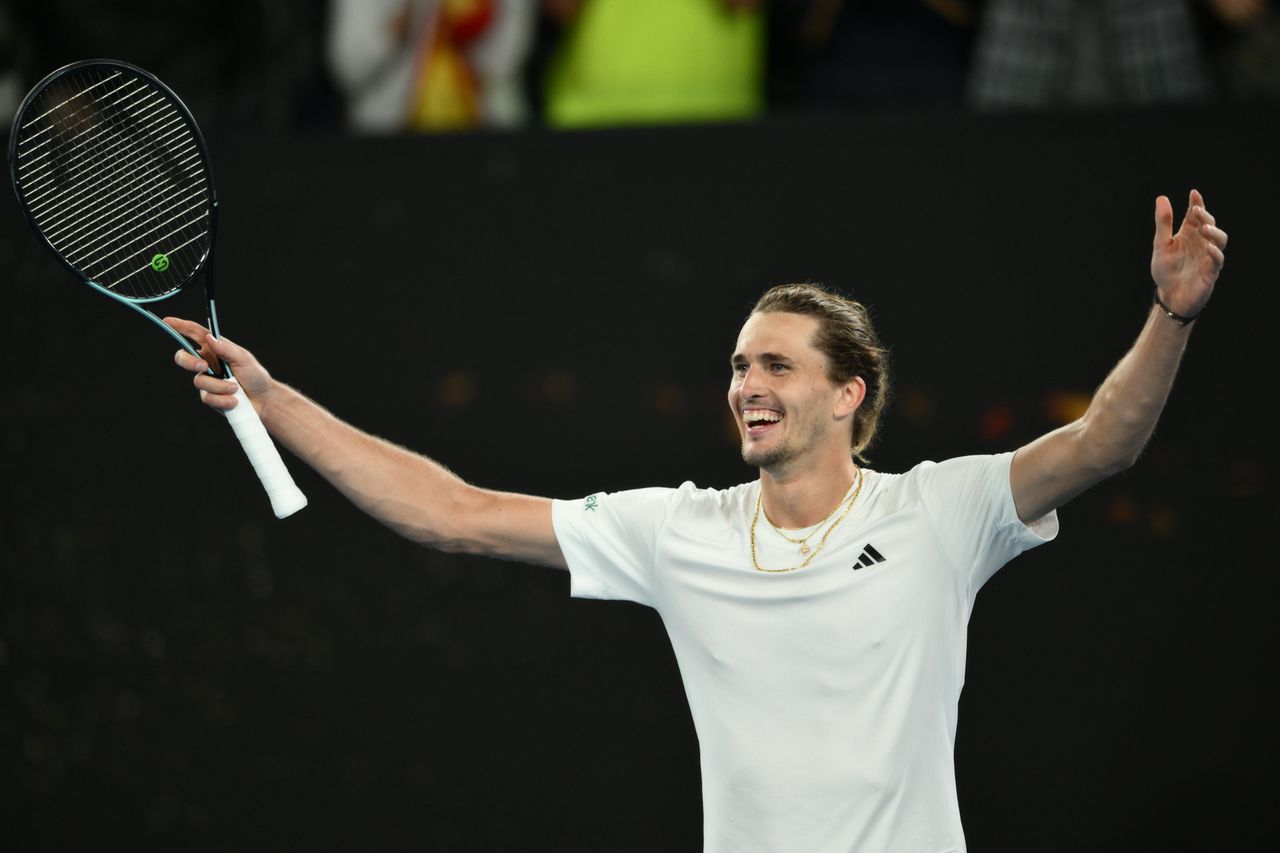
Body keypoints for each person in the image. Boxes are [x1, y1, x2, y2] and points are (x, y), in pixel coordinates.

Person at [166, 190, 1227, 852]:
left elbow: (1102, 442)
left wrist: (1169, 313)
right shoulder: (679, 532)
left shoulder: (936, 510)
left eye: (774, 363)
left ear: (849, 391)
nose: (743, 384)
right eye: (735, 365)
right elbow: (451, 512)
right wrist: (274, 399)